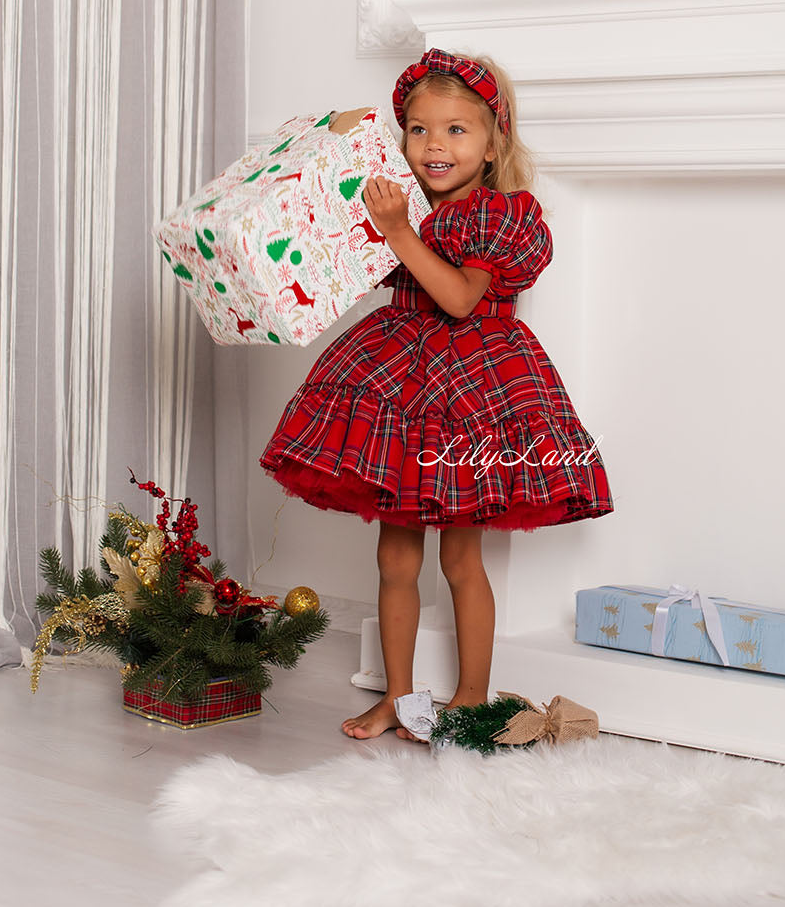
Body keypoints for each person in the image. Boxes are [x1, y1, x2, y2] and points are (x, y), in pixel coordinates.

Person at [259, 48, 613, 740]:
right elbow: (348, 146)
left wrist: (398, 231)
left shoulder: (499, 213)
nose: (434, 145)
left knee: (460, 557)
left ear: (492, 142)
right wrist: (357, 156)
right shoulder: (405, 204)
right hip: (399, 379)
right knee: (395, 557)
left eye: (456, 130)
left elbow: (457, 299)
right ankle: (397, 696)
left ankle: (468, 698)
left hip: (473, 387)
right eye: (418, 129)